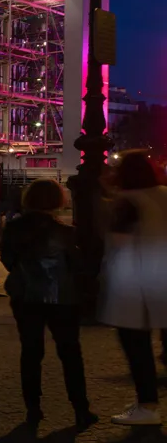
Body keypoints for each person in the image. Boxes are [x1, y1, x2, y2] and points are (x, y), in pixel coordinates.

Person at [1, 180, 95, 429]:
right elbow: (77, 265)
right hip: (62, 297)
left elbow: (8, 261)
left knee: (31, 352)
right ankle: (80, 408)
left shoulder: (13, 228)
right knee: (70, 353)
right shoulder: (65, 232)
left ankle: (33, 408)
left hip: (25, 296)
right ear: (58, 200)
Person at [99, 151, 167, 426]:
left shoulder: (128, 202)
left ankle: (148, 405)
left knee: (136, 343)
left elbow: (119, 244)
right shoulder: (164, 192)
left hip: (138, 280)